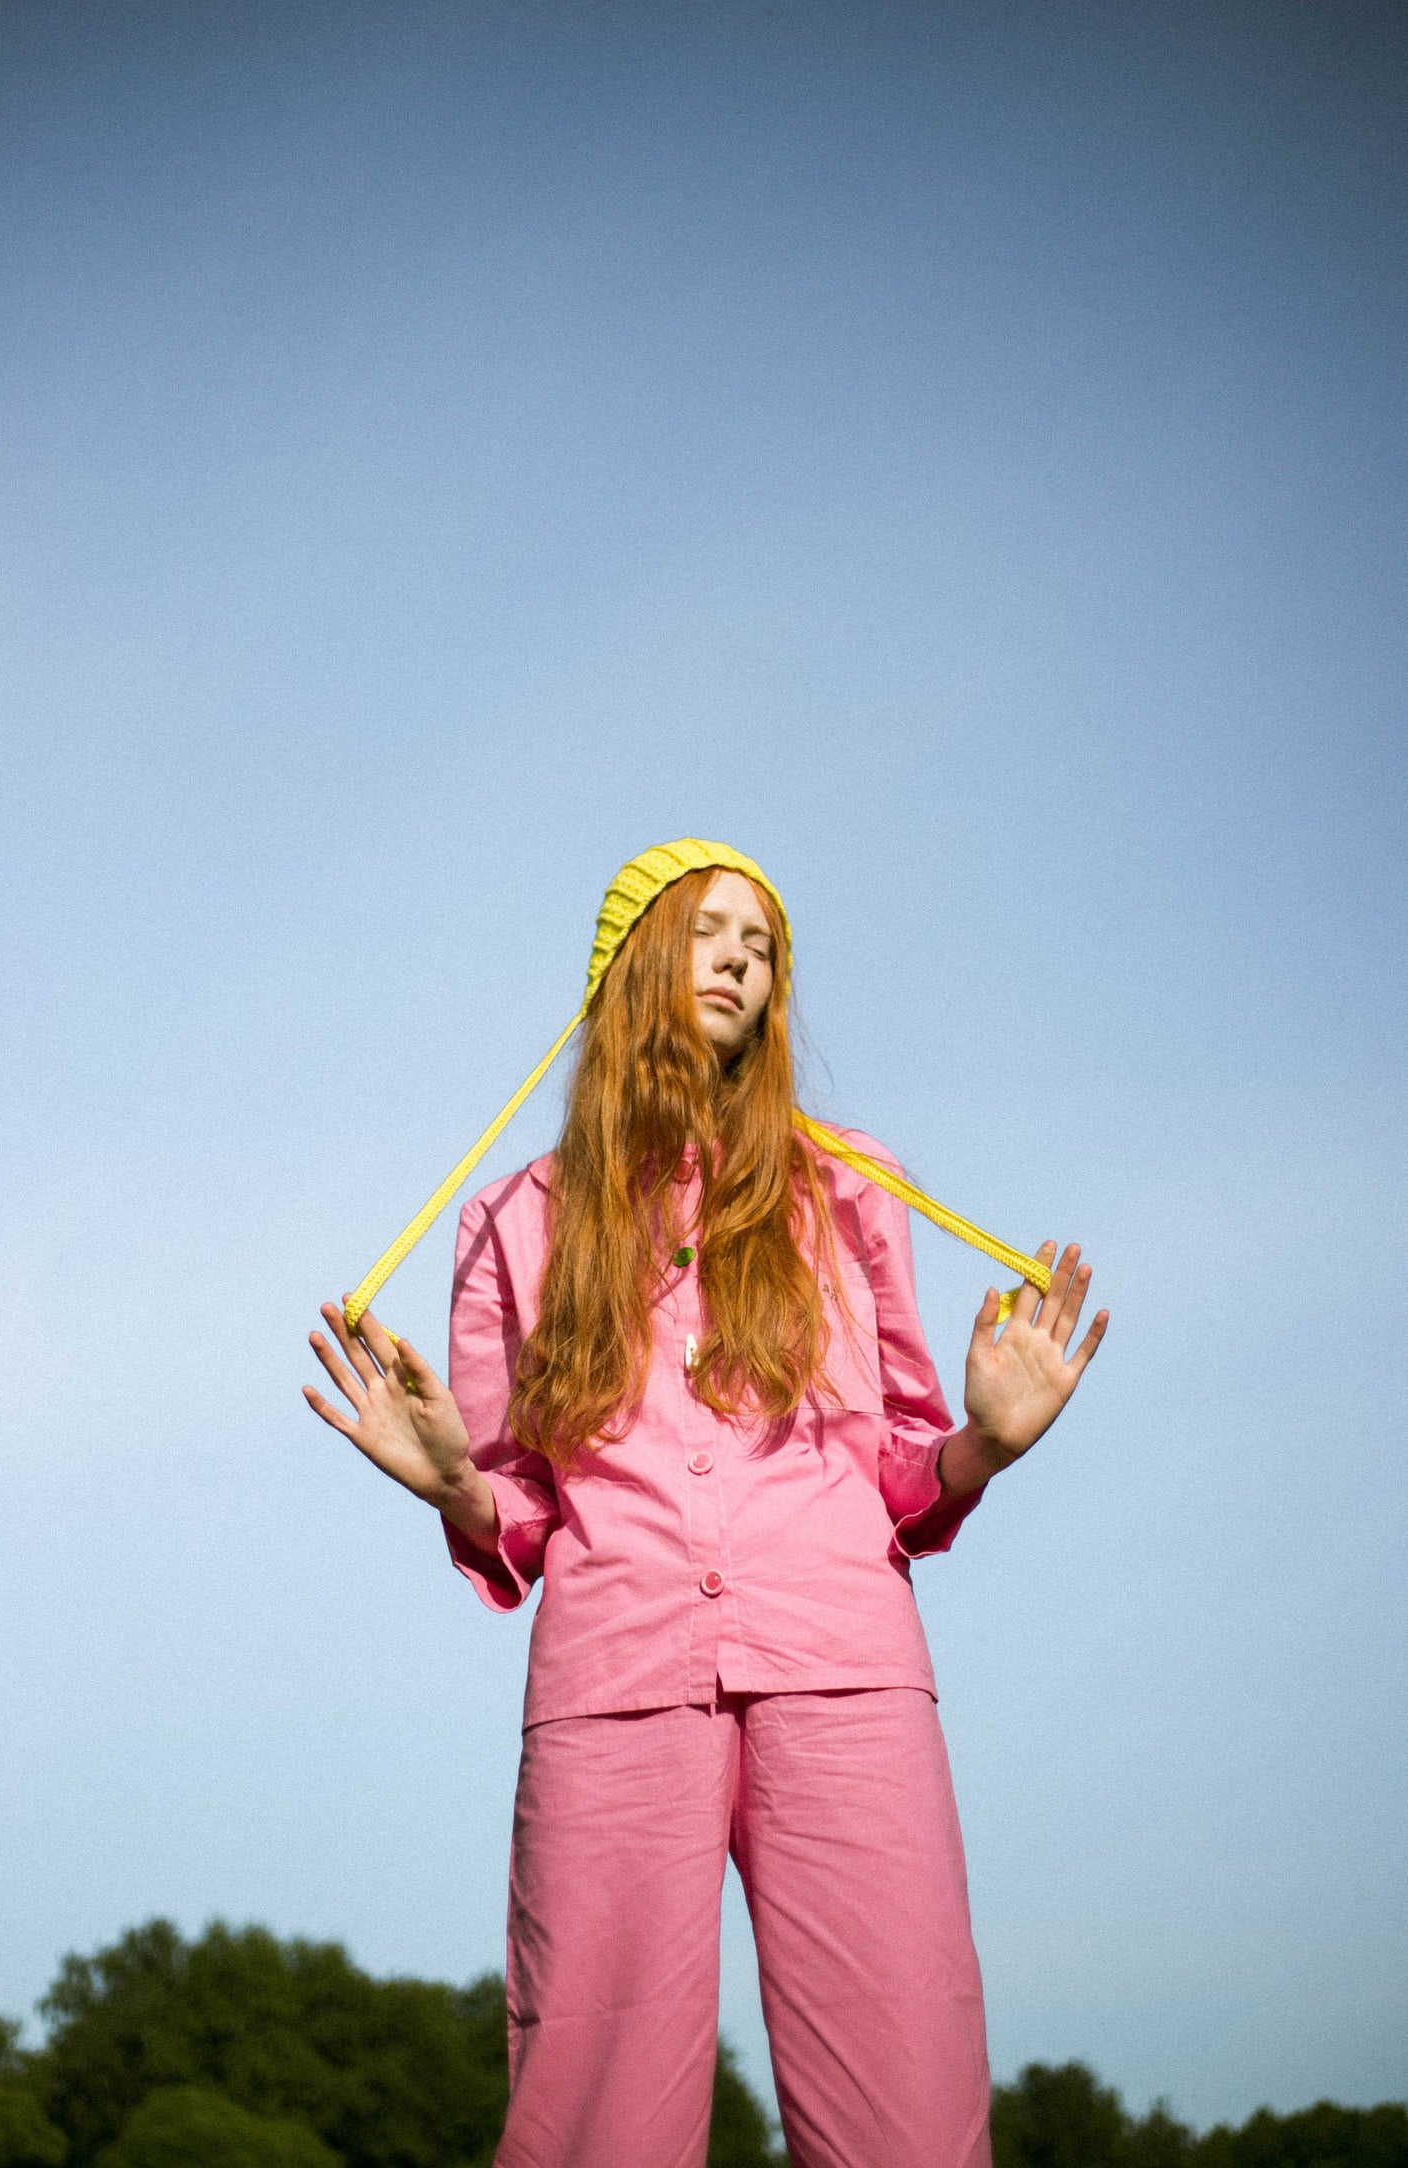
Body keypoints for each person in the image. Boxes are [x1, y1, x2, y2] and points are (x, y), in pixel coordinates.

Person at [304, 841, 1107, 2168]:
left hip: (844, 1673)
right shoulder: (511, 1220)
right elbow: (521, 1510)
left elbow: (900, 1477)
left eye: (765, 945)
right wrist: (450, 1479)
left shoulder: (850, 1185)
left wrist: (983, 1445)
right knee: (593, 2109)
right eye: (711, 930)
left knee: (906, 2094)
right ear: (630, 960)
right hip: (613, 1681)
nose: (745, 957)